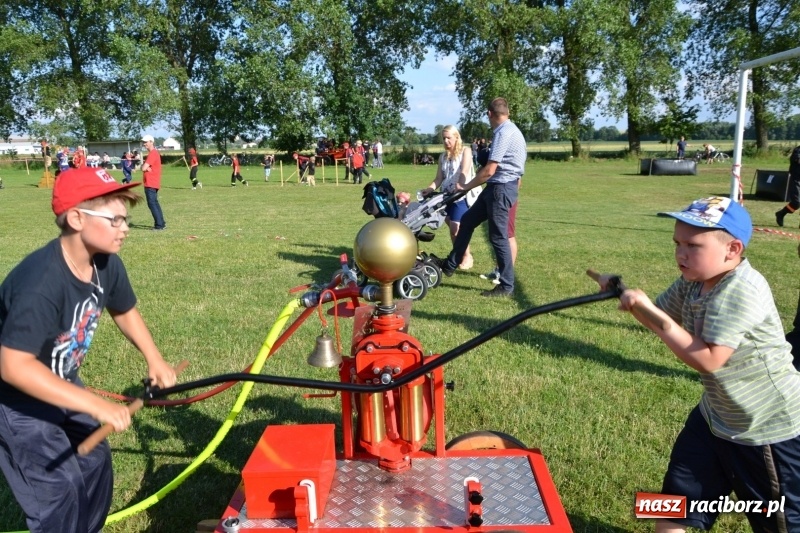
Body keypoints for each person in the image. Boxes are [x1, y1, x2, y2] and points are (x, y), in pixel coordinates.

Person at [591, 196, 800, 533]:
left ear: (732, 249)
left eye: (693, 245)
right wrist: (626, 295)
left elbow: (709, 360)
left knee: (779, 523)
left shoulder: (741, 289)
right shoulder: (693, 280)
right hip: (715, 416)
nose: (680, 254)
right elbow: (659, 315)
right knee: (674, 503)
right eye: (677, 243)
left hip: (764, 428)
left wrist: (656, 317)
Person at [0, 166, 178, 533]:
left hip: (61, 383)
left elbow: (124, 309)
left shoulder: (105, 264)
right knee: (57, 492)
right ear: (78, 219)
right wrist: (98, 405)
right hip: (15, 402)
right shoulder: (41, 283)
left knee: (95, 463)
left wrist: (154, 358)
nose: (124, 228)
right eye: (115, 219)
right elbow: (14, 366)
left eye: (126, 220)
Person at [437, 97, 527, 298]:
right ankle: (451, 264)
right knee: (468, 221)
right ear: (508, 111)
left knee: (498, 237)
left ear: (489, 114)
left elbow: (489, 170)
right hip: (497, 188)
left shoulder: (504, 133)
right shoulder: (513, 131)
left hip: (500, 189)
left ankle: (506, 285)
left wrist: (466, 187)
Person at [421, 125, 482, 270]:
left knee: (456, 228)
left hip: (461, 195)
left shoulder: (465, 151)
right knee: (453, 230)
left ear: (456, 137)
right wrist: (429, 189)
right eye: (444, 138)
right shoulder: (443, 156)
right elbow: (439, 178)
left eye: (449, 137)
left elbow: (465, 170)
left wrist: (461, 184)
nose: (446, 141)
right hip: (446, 197)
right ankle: (461, 254)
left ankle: (467, 256)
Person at [141, 134, 166, 230]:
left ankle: (159, 225)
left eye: (146, 142)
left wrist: (146, 168)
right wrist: (147, 168)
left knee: (152, 203)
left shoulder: (152, 153)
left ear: (151, 142)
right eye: (144, 142)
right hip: (153, 182)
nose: (144, 144)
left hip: (150, 182)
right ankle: (161, 223)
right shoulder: (154, 153)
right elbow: (145, 168)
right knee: (154, 203)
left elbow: (143, 167)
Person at [774, 145, 800, 227]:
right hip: (797, 179)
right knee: (796, 202)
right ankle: (781, 213)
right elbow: (798, 160)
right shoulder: (797, 150)